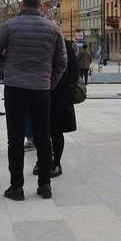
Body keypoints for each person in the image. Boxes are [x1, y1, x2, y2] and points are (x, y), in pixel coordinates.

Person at [0, 0, 67, 201]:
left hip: (15, 88)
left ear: (21, 6)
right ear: (42, 7)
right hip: (41, 89)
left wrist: (7, 60)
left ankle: (16, 188)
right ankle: (45, 185)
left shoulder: (9, 26)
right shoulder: (53, 29)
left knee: (14, 139)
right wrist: (50, 83)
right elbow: (62, 62)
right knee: (43, 136)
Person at [33, 38, 79, 178]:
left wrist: (69, 87)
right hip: (39, 91)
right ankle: (41, 160)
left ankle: (56, 162)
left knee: (56, 131)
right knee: (39, 130)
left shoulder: (65, 44)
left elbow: (74, 69)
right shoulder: (38, 41)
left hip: (59, 94)